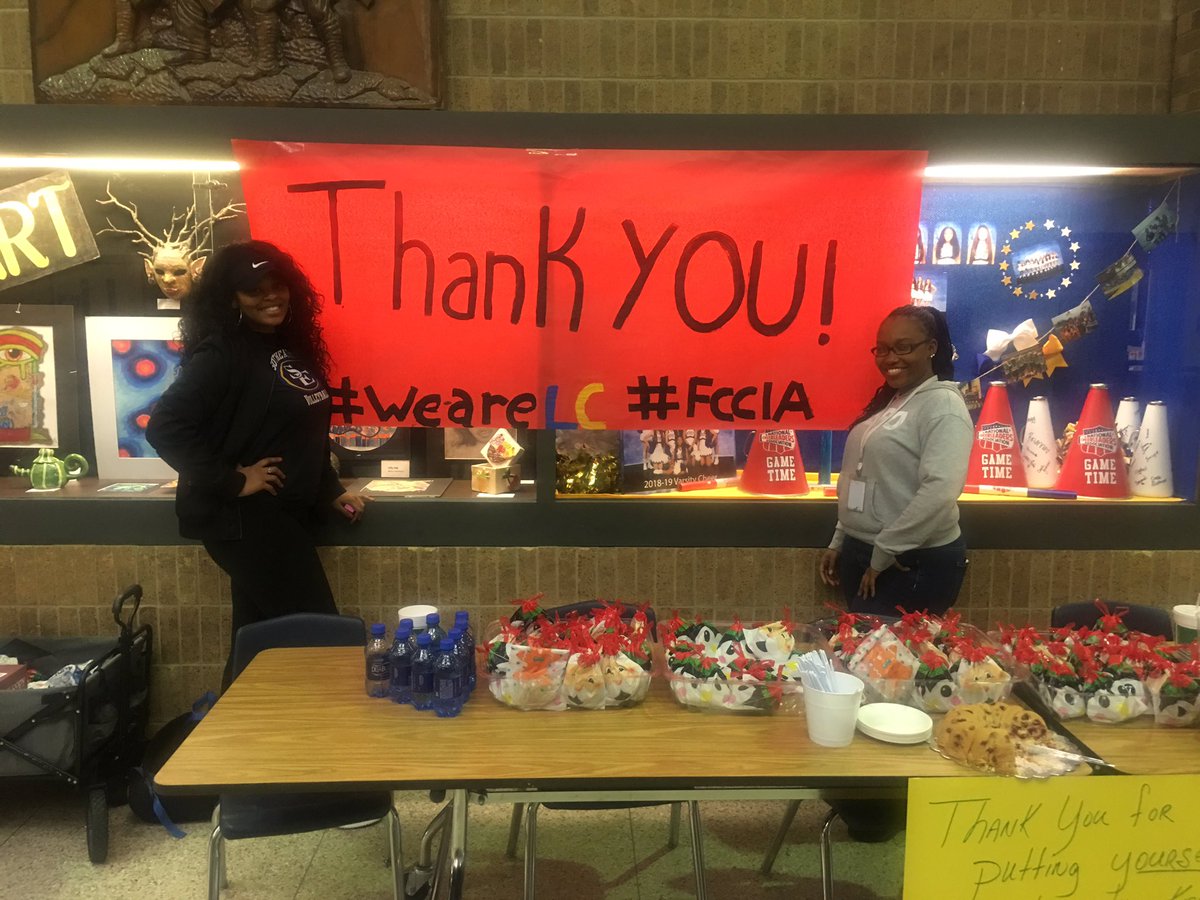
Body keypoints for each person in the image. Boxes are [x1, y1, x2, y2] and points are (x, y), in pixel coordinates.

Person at [146, 240, 367, 689]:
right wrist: (231, 480)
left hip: (281, 517)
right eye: (254, 290)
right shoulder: (223, 353)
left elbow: (303, 433)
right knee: (322, 637)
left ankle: (235, 745)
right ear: (231, 298)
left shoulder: (286, 346)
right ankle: (332, 746)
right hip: (245, 522)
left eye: (277, 285)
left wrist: (330, 490)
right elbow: (165, 427)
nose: (272, 296)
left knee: (257, 648)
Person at [819, 304, 971, 619]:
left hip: (910, 562)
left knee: (892, 663)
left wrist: (885, 550)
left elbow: (940, 490)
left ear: (931, 348)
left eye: (903, 347)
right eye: (883, 349)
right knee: (864, 656)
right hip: (868, 552)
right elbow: (861, 477)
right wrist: (841, 539)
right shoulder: (893, 401)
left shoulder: (943, 405)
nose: (891, 358)